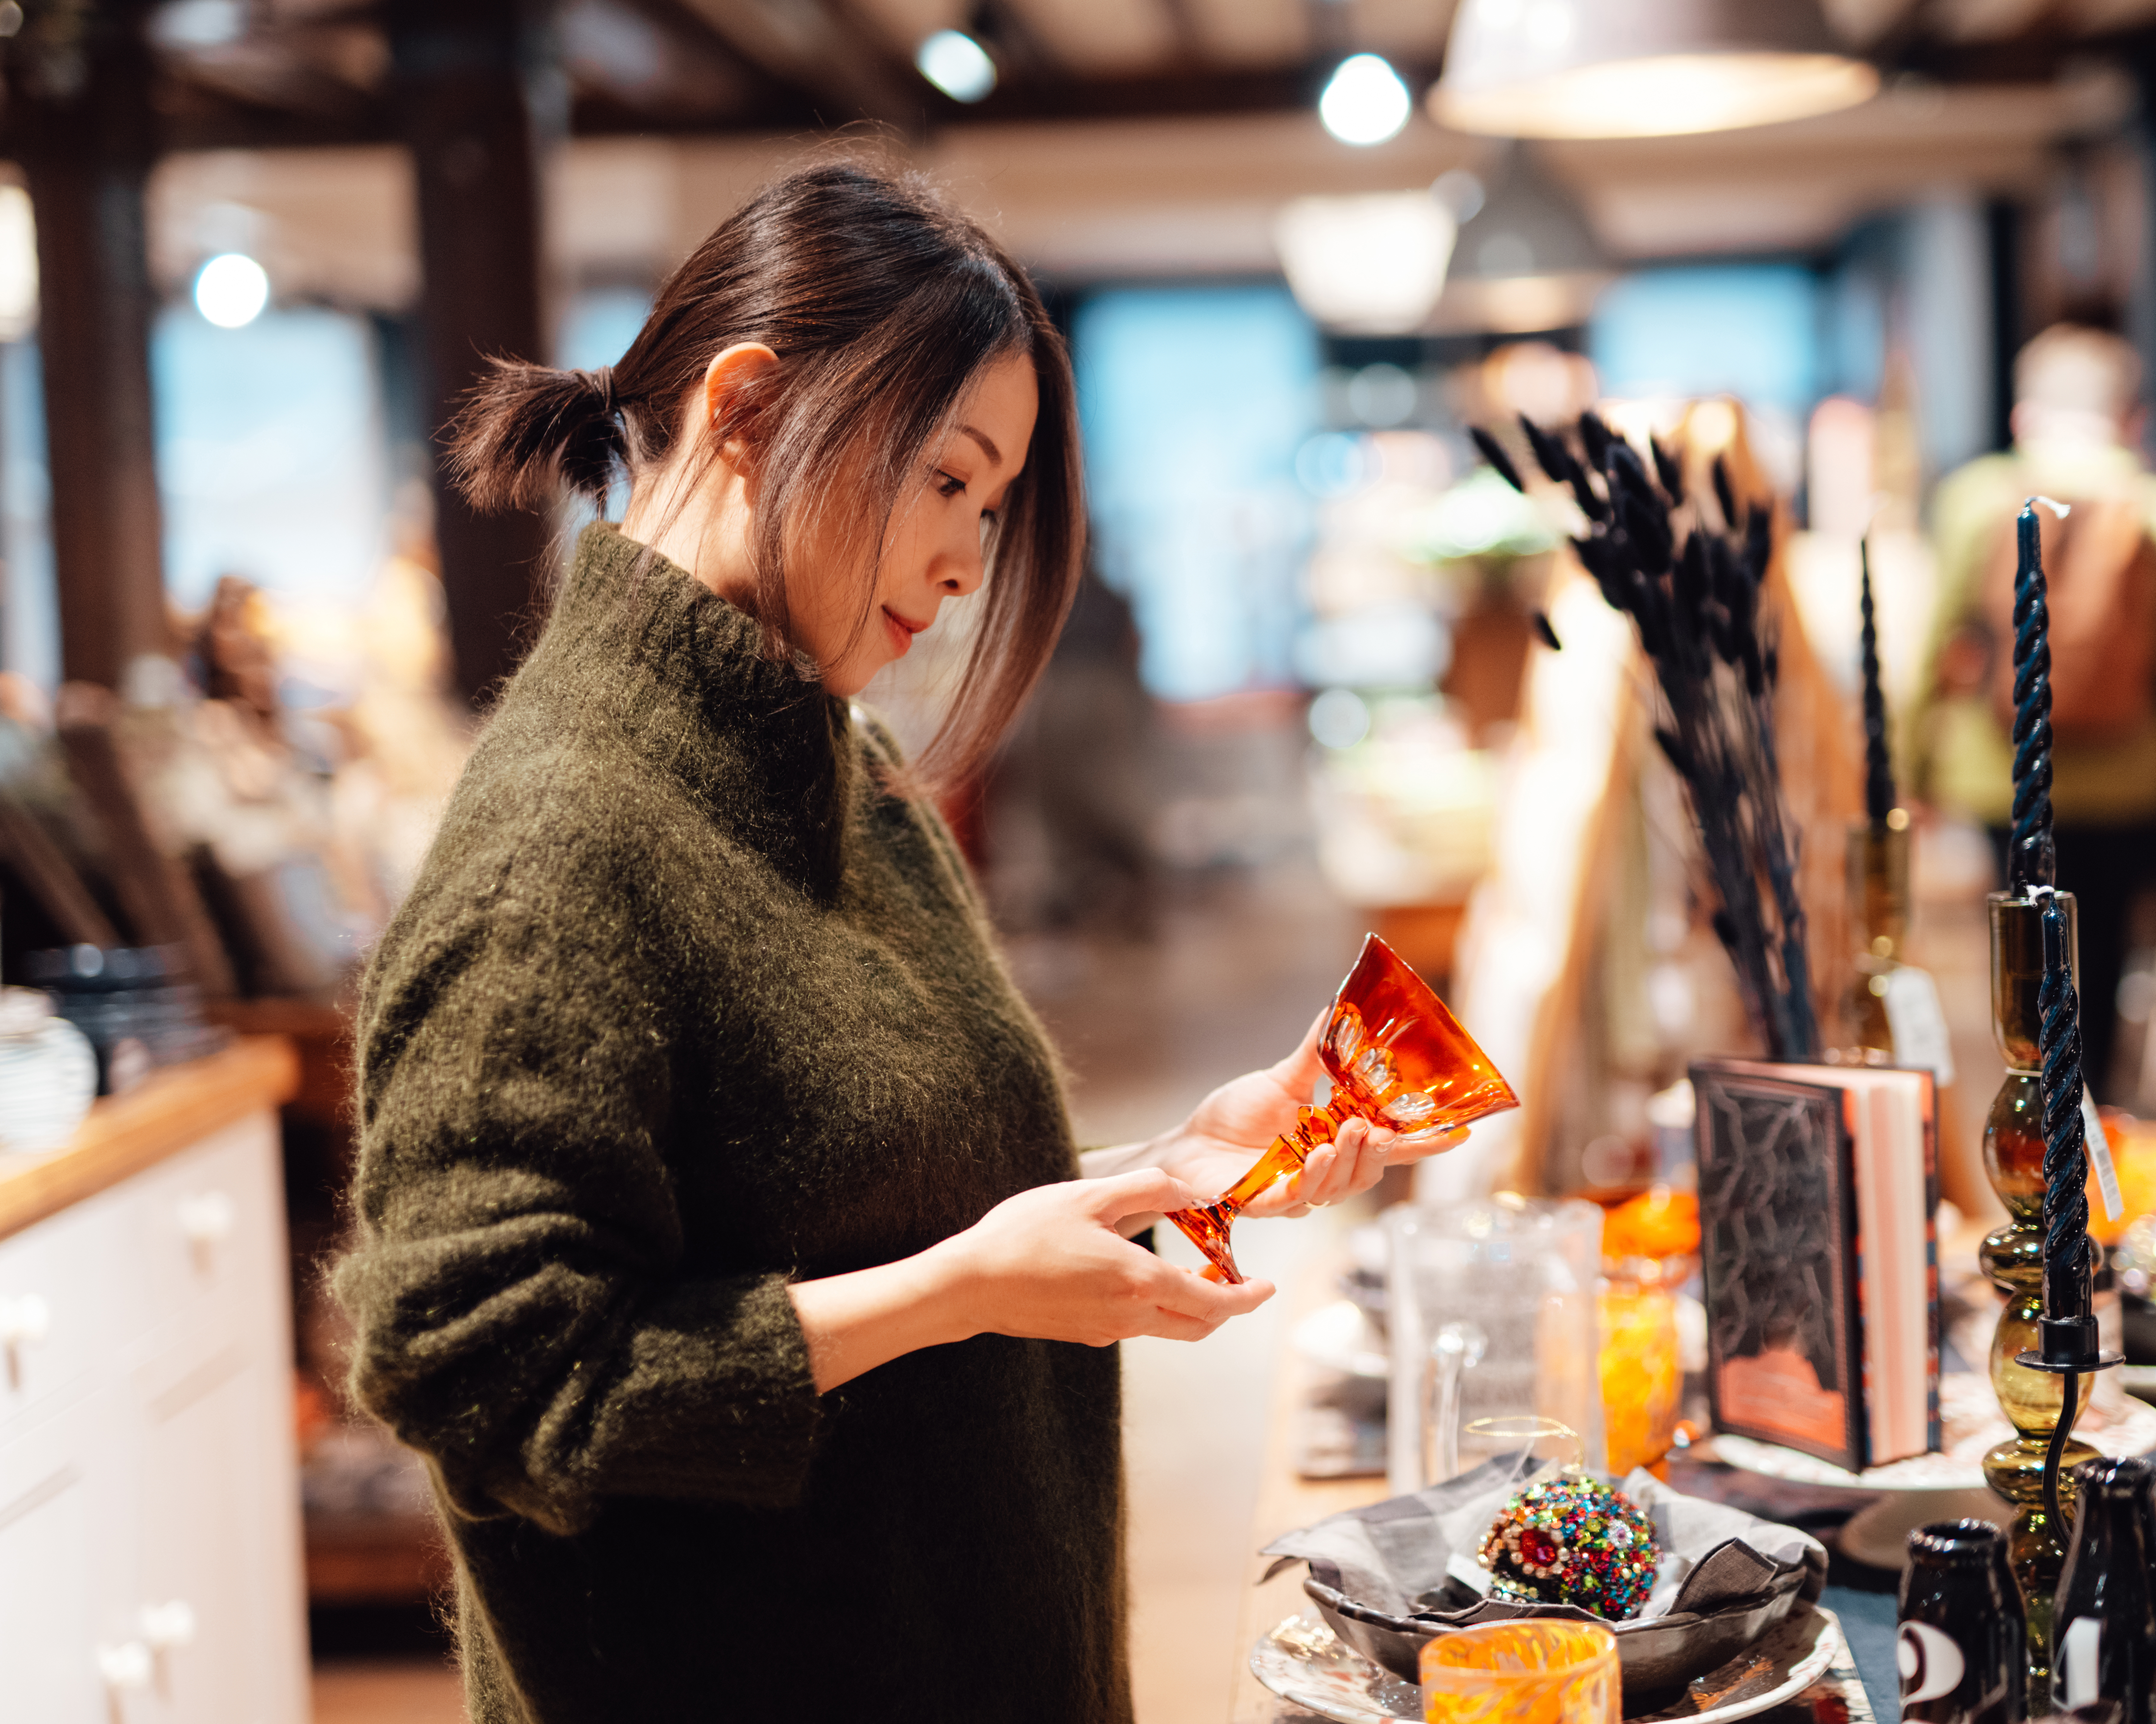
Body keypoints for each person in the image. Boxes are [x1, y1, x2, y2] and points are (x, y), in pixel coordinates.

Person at [332, 161, 1460, 1723]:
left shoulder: (833, 763)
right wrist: (960, 1290)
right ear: (744, 411)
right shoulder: (556, 844)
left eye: (990, 508)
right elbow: (485, 1375)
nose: (965, 560)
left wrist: (1172, 1168)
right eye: (947, 480)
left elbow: (881, 1211)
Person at [1911, 324, 2156, 1093]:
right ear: (2131, 420)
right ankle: (2097, 1130)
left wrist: (1907, 769)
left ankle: (2034, 1133)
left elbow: (1930, 650)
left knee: (2026, 961)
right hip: (2135, 781)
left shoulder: (1973, 502)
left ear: (2025, 416)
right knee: (2112, 961)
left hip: (2005, 779)